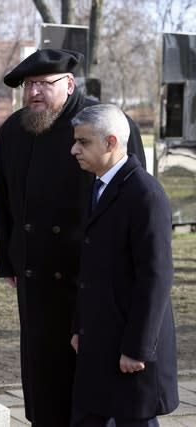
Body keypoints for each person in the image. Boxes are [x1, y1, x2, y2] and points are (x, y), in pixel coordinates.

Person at [0, 48, 146, 426]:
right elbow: (5, 200)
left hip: (89, 276)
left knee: (89, 381)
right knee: (43, 372)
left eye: (44, 84)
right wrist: (9, 262)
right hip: (36, 276)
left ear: (70, 83)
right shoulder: (14, 129)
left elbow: (133, 201)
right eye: (29, 85)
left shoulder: (105, 123)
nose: (34, 93)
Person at [69, 104, 178, 426]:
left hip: (130, 350)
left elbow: (156, 277)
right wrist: (79, 327)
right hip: (99, 339)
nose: (74, 149)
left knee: (135, 420)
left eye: (83, 142)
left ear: (111, 142)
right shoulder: (98, 185)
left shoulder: (145, 195)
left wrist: (137, 348)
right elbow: (92, 269)